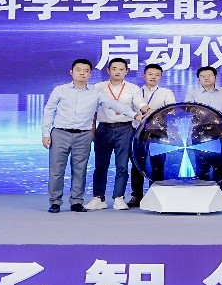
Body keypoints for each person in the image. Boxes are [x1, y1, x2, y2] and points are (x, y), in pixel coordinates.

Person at [42, 59, 148, 213]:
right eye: (79, 70)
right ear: (71, 72)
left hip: (83, 135)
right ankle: (55, 202)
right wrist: (46, 133)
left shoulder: (96, 92)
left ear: (90, 74)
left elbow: (114, 105)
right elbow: (49, 111)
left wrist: (135, 115)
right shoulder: (60, 90)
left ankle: (76, 201)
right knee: (57, 170)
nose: (82, 73)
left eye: (86, 71)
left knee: (80, 169)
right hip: (60, 133)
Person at [89, 58, 149, 211]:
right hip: (103, 129)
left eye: (121, 69)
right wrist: (92, 129)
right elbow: (92, 110)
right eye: (114, 68)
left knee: (122, 165)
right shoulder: (98, 87)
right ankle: (98, 198)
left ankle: (119, 197)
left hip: (125, 129)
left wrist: (148, 110)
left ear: (126, 71)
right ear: (108, 70)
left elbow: (140, 104)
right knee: (100, 165)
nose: (117, 72)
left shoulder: (133, 88)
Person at [184, 66, 222, 206]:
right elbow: (188, 113)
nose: (206, 78)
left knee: (221, 167)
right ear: (199, 79)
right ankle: (201, 200)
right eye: (203, 76)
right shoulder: (192, 94)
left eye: (209, 75)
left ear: (215, 77)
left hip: (221, 132)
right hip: (200, 133)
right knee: (201, 167)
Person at [128, 63, 177, 207]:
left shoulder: (166, 92)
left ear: (161, 77)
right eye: (150, 74)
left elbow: (172, 110)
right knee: (137, 164)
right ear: (144, 75)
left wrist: (153, 112)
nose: (153, 77)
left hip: (158, 132)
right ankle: (136, 196)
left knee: (158, 163)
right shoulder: (135, 92)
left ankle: (156, 194)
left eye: (157, 75)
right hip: (137, 132)